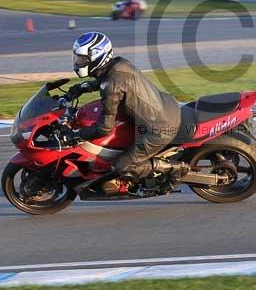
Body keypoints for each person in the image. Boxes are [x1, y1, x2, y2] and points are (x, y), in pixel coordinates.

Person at [68, 31, 187, 191]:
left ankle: (174, 168)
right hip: (167, 108)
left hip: (158, 129)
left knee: (121, 166)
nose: (79, 62)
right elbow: (107, 81)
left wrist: (77, 135)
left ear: (97, 57)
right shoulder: (119, 64)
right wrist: (82, 87)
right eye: (78, 58)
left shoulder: (111, 85)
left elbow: (104, 128)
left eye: (83, 59)